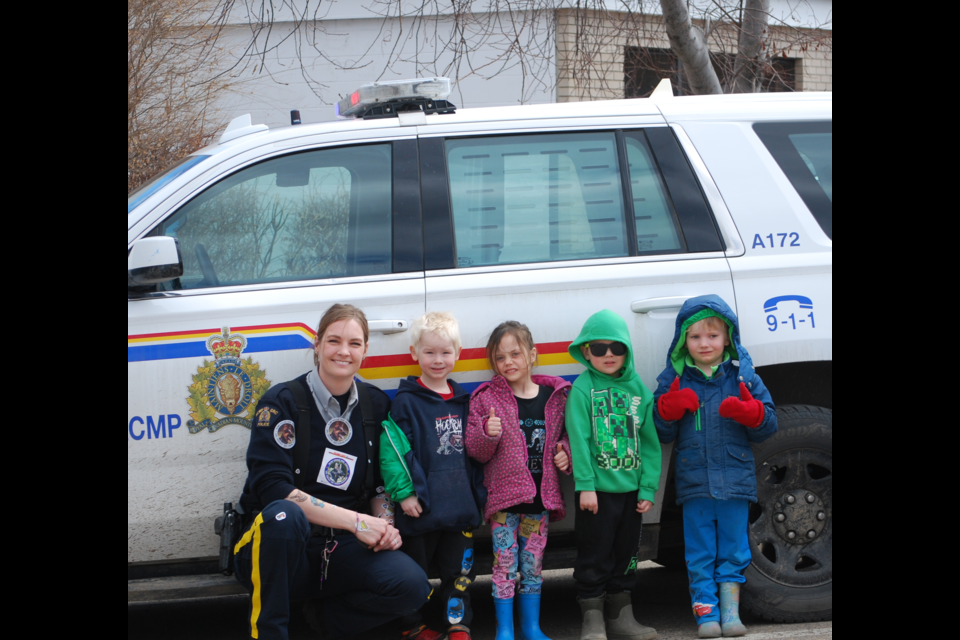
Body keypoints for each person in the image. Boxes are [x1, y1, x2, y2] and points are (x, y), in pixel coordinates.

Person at [233, 304, 431, 640]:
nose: (343, 351)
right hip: (282, 549)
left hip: (341, 549)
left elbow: (382, 487)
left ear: (365, 350)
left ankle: (322, 621)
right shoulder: (281, 402)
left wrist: (384, 526)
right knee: (284, 515)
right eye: (334, 340)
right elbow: (273, 489)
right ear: (317, 344)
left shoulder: (376, 404)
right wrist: (357, 522)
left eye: (354, 343)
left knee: (413, 587)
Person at [652, 295, 777, 639]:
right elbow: (660, 432)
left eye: (712, 336)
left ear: (727, 339)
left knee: (735, 549)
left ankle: (731, 613)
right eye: (695, 337)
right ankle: (705, 614)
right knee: (700, 552)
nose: (704, 344)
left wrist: (751, 413)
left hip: (735, 482)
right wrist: (667, 408)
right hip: (694, 483)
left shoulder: (743, 378)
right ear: (682, 342)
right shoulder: (675, 380)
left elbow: (769, 424)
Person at [379, 312, 486, 640]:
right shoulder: (406, 402)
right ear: (414, 353)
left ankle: (457, 625)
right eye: (429, 352)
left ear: (458, 353)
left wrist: (479, 497)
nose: (437, 360)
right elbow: (393, 451)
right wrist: (405, 494)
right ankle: (412, 626)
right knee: (413, 574)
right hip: (420, 509)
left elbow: (477, 453)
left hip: (459, 511)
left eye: (445, 352)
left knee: (460, 575)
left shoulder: (464, 401)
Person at [465, 321, 573, 640]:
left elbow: (570, 437)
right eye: (500, 357)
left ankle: (531, 627)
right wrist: (487, 434)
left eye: (516, 354)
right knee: (504, 565)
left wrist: (565, 452)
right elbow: (475, 450)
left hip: (540, 501)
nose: (508, 362)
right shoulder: (486, 399)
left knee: (532, 566)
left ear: (533, 355)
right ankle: (505, 630)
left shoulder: (555, 398)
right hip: (503, 503)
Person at [565, 310, 661, 640]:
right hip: (597, 494)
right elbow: (579, 441)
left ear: (627, 352)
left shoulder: (638, 390)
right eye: (600, 347)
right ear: (586, 350)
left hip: (632, 493)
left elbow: (650, 444)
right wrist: (585, 486)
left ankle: (622, 616)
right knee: (594, 554)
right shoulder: (583, 389)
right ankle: (592, 620)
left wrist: (647, 488)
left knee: (626, 555)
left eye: (617, 348)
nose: (608, 354)